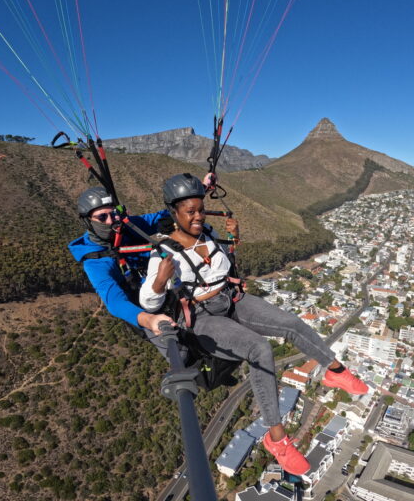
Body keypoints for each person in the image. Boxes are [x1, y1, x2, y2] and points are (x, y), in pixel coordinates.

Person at [139, 173, 368, 476]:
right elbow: (150, 305)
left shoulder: (209, 236)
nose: (198, 216)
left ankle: (335, 371)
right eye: (190, 212)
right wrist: (159, 281)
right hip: (202, 317)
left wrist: (234, 239)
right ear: (174, 214)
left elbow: (223, 270)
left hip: (230, 299)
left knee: (291, 323)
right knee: (260, 349)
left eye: (200, 209)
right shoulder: (163, 254)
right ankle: (277, 439)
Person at [68, 186, 175, 335]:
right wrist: (149, 320)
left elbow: (159, 217)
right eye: (102, 217)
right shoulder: (95, 262)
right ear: (88, 222)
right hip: (142, 309)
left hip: (165, 286)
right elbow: (115, 302)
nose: (110, 221)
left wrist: (198, 190)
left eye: (113, 214)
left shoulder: (128, 227)